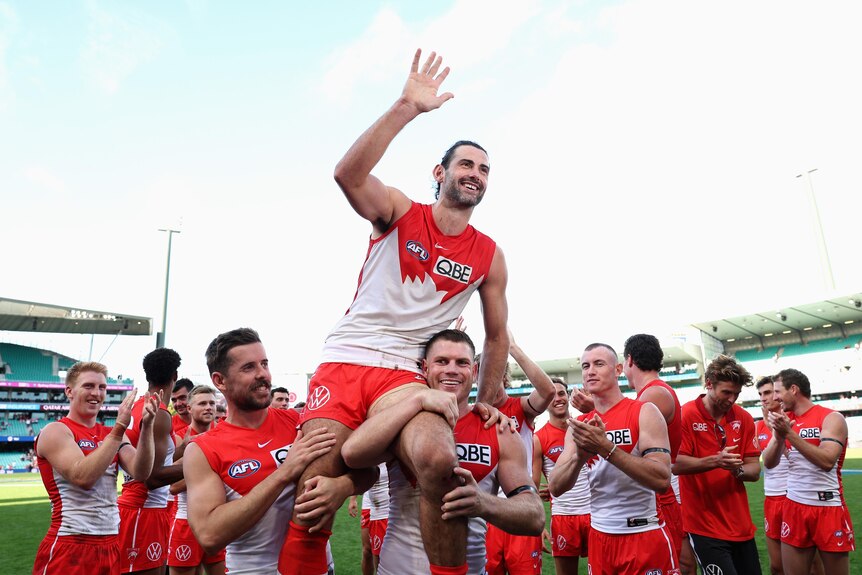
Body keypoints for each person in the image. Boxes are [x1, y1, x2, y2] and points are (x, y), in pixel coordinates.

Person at [285, 49, 510, 575]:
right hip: (347, 357)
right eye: (466, 164)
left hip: (408, 375)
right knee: (315, 494)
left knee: (438, 461)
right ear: (441, 172)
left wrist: (486, 400)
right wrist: (407, 107)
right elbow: (347, 173)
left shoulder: (490, 254)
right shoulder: (401, 209)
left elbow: (497, 336)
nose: (476, 174)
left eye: (484, 169)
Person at [342, 329, 544, 575]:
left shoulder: (498, 428)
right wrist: (416, 401)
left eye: (462, 363)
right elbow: (352, 453)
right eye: (442, 361)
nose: (452, 369)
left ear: (475, 372)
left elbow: (535, 517)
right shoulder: (403, 419)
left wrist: (484, 504)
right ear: (424, 368)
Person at [182, 328, 373, 575]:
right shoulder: (202, 449)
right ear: (220, 381)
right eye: (248, 367)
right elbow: (210, 535)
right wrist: (284, 473)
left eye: (264, 363)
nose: (263, 374)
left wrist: (344, 486)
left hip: (318, 567)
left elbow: (368, 471)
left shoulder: (300, 421)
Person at [548, 343, 677, 575]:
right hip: (600, 537)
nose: (590, 371)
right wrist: (579, 457)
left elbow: (661, 478)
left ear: (618, 369)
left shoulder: (644, 411)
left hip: (643, 533)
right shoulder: (579, 426)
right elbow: (555, 486)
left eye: (599, 364)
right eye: (585, 366)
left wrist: (606, 447)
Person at [33, 361, 158, 575]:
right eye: (88, 386)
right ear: (69, 392)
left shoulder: (111, 433)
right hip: (71, 542)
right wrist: (119, 428)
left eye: (102, 387)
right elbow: (83, 477)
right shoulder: (56, 431)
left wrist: (147, 427)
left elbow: (141, 472)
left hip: (110, 543)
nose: (96, 393)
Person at [673, 354, 762, 575]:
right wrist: (716, 461)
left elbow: (754, 469)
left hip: (741, 526)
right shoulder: (686, 415)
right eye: (726, 392)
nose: (732, 399)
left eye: (737, 394)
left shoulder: (743, 418)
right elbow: (675, 464)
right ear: (709, 384)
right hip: (704, 527)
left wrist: (737, 470)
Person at [763, 368, 855, 575]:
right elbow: (768, 463)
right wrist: (778, 436)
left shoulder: (831, 418)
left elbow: (826, 460)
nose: (775, 398)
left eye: (778, 391)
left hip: (828, 507)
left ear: (793, 389)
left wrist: (790, 434)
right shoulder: (784, 419)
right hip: (794, 506)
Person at [485, 329, 555, 575]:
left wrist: (512, 348)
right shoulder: (472, 412)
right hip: (485, 513)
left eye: (495, 371)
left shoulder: (520, 407)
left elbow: (548, 392)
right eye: (483, 372)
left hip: (520, 511)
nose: (489, 377)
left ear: (505, 377)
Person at [118, 348, 186, 575]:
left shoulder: (138, 405)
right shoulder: (160, 413)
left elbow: (157, 458)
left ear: (147, 376)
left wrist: (186, 449)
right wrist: (203, 465)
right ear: (175, 376)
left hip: (138, 507)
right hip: (145, 509)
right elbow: (153, 477)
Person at [533, 378, 591, 575]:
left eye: (561, 394)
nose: (557, 399)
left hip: (596, 514)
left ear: (568, 396)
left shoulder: (587, 426)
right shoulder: (539, 438)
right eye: (552, 395)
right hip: (563, 517)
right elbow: (532, 486)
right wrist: (538, 526)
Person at [167, 385, 226, 575]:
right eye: (202, 403)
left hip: (219, 520)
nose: (209, 407)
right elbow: (173, 486)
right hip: (187, 521)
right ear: (190, 409)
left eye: (211, 403)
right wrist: (210, 471)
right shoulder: (179, 439)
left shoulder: (224, 435)